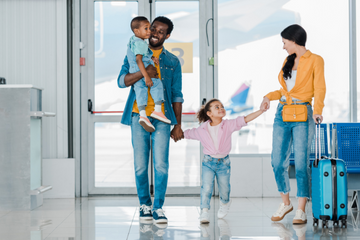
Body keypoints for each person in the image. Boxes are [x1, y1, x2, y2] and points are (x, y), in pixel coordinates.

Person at [117, 16, 184, 224]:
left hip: (162, 118)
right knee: (140, 165)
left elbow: (176, 95)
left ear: (167, 36)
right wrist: (143, 73)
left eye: (161, 31)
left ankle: (158, 207)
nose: (155, 33)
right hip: (139, 116)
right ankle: (144, 205)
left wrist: (178, 125)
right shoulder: (135, 51)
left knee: (161, 165)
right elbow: (122, 81)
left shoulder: (172, 61)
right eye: (153, 28)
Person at [260, 24, 326, 224]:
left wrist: (317, 111)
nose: (283, 47)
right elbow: (284, 90)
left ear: (294, 40)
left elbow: (320, 88)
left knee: (300, 163)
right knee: (277, 161)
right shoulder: (287, 61)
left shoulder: (315, 60)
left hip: (303, 114)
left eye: (284, 42)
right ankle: (286, 202)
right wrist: (267, 97)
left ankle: (301, 208)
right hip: (283, 113)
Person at [183, 99, 264, 223]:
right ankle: (204, 211)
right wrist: (173, 133)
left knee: (224, 188)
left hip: (224, 163)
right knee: (206, 187)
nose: (221, 108)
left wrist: (261, 110)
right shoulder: (202, 129)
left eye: (222, 106)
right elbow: (188, 133)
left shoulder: (228, 125)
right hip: (208, 162)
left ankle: (225, 203)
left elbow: (245, 119)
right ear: (209, 113)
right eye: (217, 107)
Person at [127, 16, 170, 132]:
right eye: (147, 29)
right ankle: (157, 110)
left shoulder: (134, 40)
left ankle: (143, 115)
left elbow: (139, 54)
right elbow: (139, 60)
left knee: (140, 92)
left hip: (134, 71)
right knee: (157, 84)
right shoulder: (141, 43)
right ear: (136, 31)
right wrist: (146, 76)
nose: (150, 32)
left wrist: (151, 58)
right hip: (143, 70)